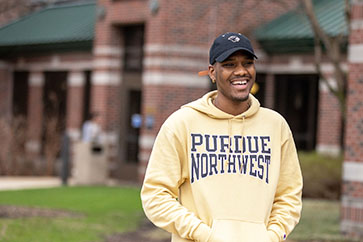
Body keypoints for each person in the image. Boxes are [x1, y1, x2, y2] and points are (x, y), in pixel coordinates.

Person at [141, 32, 303, 242]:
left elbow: (289, 196)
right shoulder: (181, 124)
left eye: (247, 63)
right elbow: (155, 196)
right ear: (212, 72)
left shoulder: (276, 126)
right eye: (229, 64)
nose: (241, 71)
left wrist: (272, 237)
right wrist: (204, 235)